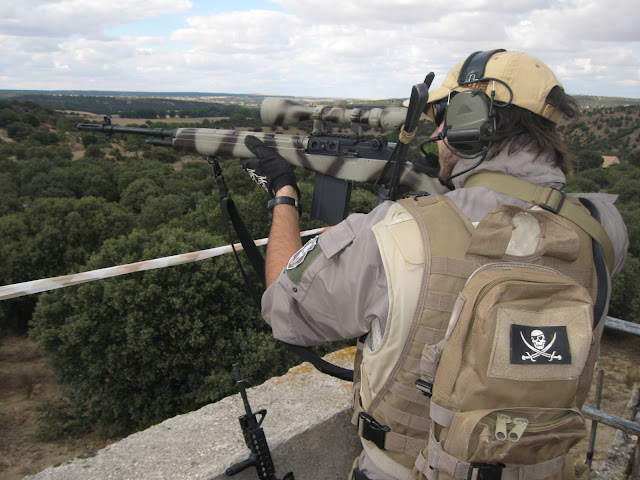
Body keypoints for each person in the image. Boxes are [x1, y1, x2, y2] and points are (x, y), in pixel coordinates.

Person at [241, 50, 629, 480]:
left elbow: (283, 308)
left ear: (469, 123)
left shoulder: (392, 232)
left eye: (442, 121)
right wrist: (452, 185)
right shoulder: (603, 228)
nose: (437, 134)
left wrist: (284, 195)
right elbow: (516, 230)